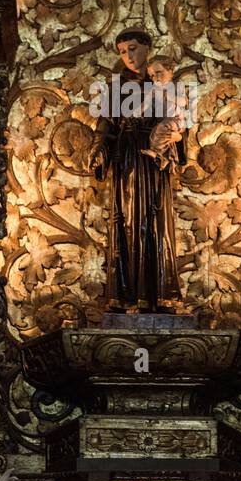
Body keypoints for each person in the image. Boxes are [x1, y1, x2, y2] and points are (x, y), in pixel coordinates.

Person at [89, 27, 184, 312]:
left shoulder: (165, 83)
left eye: (132, 48)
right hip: (128, 157)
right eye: (122, 51)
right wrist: (99, 149)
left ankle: (161, 294)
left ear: (147, 48)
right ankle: (126, 295)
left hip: (155, 160)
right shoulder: (116, 87)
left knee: (157, 221)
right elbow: (105, 125)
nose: (128, 56)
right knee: (129, 221)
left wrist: (174, 140)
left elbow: (180, 120)